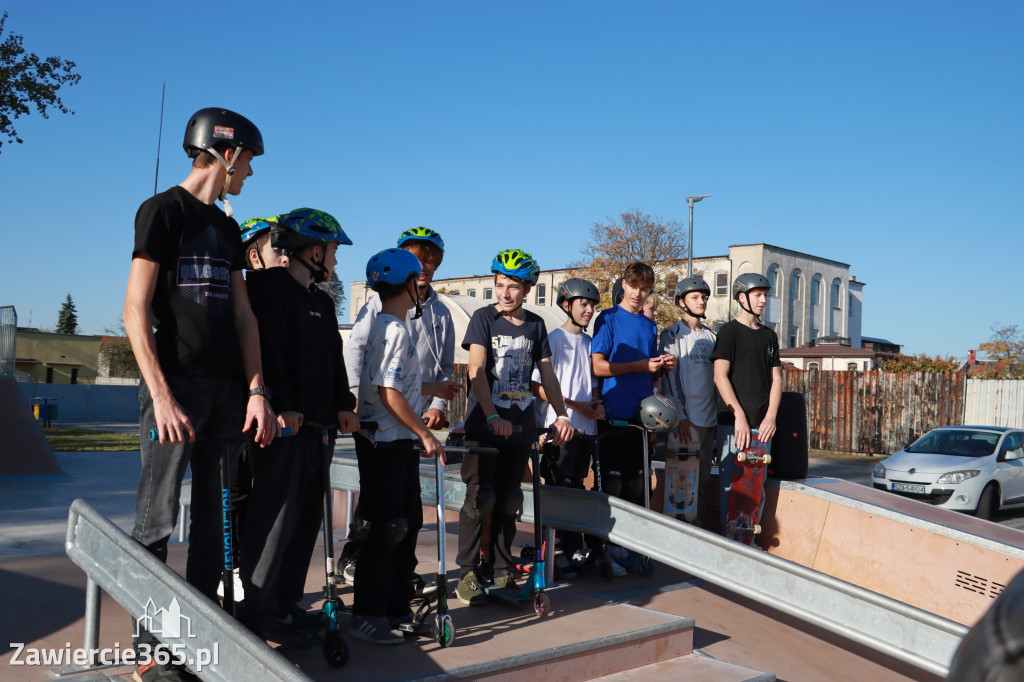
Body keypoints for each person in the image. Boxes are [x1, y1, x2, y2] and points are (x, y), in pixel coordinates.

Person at [123, 107, 276, 682]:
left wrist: (256, 391)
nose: (251, 174)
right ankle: (152, 651)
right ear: (227, 152)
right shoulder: (162, 211)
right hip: (176, 387)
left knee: (215, 524)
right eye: (250, 162)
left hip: (225, 395)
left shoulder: (230, 229)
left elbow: (243, 317)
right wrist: (159, 395)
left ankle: (198, 638)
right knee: (157, 519)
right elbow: (135, 309)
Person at [238, 208, 358, 643]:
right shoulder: (269, 290)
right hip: (282, 428)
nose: (336, 261)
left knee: (306, 522)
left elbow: (332, 362)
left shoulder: (321, 302)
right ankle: (255, 612)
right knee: (274, 520)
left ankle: (285, 604)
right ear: (312, 251)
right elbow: (268, 354)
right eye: (332, 252)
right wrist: (282, 404)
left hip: (319, 429)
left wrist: (343, 403)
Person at [455, 249, 574, 606]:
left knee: (509, 500)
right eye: (499, 285)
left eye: (513, 287)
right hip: (485, 425)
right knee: (480, 498)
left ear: (528, 288)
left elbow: (547, 373)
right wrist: (492, 417)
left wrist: (562, 414)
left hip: (521, 425)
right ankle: (468, 573)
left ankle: (503, 569)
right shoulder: (482, 319)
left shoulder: (537, 325)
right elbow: (475, 370)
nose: (505, 293)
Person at [341, 226, 459, 583]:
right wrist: (352, 398)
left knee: (407, 508)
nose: (422, 266)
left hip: (412, 416)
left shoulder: (441, 312)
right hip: (382, 415)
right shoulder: (381, 303)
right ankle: (356, 558)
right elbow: (357, 350)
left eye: (428, 260)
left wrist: (436, 402)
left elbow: (444, 364)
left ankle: (400, 572)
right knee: (380, 504)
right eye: (414, 259)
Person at [350, 248, 446, 644]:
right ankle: (368, 615)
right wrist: (424, 433)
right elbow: (389, 392)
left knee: (406, 525)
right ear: (410, 285)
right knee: (387, 528)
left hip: (395, 443)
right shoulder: (394, 329)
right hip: (386, 443)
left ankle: (397, 608)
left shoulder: (383, 326)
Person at [531, 278, 605, 576]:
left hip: (586, 428)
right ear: (566, 306)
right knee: (560, 487)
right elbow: (538, 387)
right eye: (583, 304)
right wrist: (575, 406)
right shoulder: (553, 339)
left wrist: (596, 404)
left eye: (592, 306)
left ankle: (574, 547)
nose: (589, 310)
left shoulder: (590, 343)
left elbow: (594, 386)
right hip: (559, 428)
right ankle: (560, 549)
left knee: (577, 488)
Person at [591, 262, 677, 508]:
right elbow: (597, 367)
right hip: (613, 415)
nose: (639, 295)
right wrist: (640, 365)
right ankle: (600, 546)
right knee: (611, 485)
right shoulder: (607, 318)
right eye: (635, 287)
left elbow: (650, 372)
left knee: (637, 487)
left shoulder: (649, 324)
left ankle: (627, 547)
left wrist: (664, 364)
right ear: (625, 284)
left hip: (643, 419)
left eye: (645, 289)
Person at [711, 273, 782, 533]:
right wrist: (738, 415)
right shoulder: (729, 332)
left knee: (755, 490)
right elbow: (719, 376)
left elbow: (776, 379)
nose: (764, 300)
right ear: (742, 297)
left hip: (762, 427)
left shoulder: (769, 336)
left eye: (765, 295)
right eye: (758, 295)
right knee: (731, 489)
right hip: (733, 425)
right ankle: (728, 546)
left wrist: (771, 417)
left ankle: (747, 545)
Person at [659, 276, 717, 526]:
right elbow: (668, 379)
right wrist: (679, 416)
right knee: (681, 485)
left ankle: (697, 535)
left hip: (709, 421)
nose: (701, 301)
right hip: (685, 421)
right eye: (695, 297)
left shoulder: (713, 337)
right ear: (682, 302)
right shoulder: (672, 334)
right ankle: (678, 538)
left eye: (704, 297)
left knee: (701, 483)